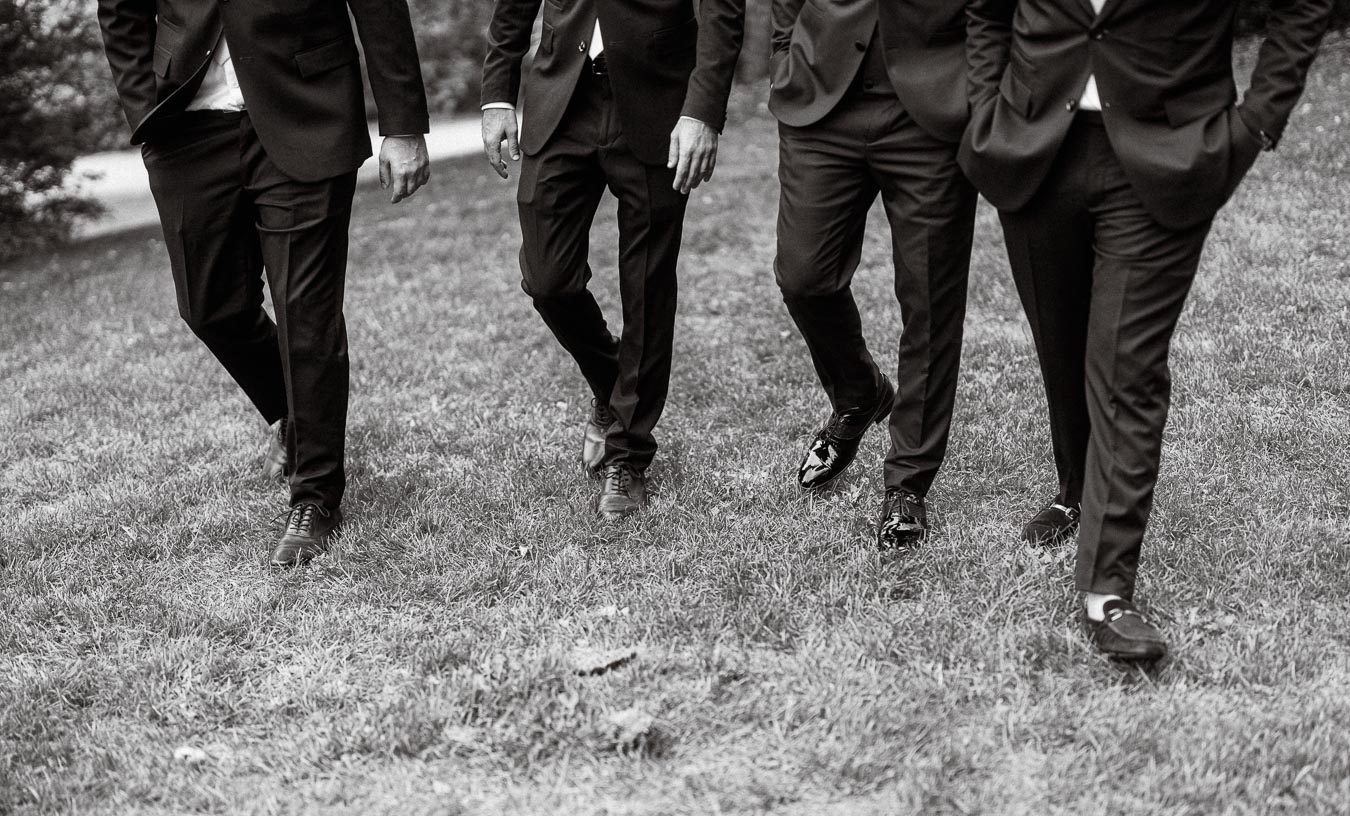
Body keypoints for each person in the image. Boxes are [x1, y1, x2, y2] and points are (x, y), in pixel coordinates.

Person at [960, 0, 1334, 660]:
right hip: (1033, 143)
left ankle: (1106, 592)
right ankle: (1076, 490)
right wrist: (986, 105)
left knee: (1124, 368)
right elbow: (987, 10)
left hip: (1167, 150)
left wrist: (1258, 120)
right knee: (1062, 342)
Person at [98, 0, 431, 566]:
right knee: (210, 308)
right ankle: (294, 416)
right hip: (186, 128)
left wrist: (402, 125)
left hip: (309, 107)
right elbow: (120, 10)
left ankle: (316, 494)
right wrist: (143, 111)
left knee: (307, 314)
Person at [480, 0, 745, 520]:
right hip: (561, 95)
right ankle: (612, 380)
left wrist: (703, 110)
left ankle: (627, 454)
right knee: (547, 279)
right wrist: (496, 95)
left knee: (646, 283)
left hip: (659, 97)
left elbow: (722, 12)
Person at [768, 0, 977, 550]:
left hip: (933, 110)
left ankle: (908, 482)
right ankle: (860, 394)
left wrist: (976, 89)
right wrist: (787, 55)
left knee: (930, 299)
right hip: (820, 102)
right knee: (803, 276)